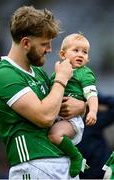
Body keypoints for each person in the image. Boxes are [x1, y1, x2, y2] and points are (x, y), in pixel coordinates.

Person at [0, 6, 86, 179]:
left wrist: (81, 106)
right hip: (33, 166)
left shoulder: (38, 73)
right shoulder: (3, 75)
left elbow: (58, 105)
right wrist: (61, 78)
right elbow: (45, 116)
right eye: (44, 44)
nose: (49, 49)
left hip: (62, 163)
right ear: (26, 43)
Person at [49, 33, 98, 177]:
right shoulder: (56, 74)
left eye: (85, 52)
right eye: (76, 50)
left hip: (72, 120)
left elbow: (92, 95)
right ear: (63, 54)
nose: (81, 54)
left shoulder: (84, 73)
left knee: (54, 135)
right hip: (56, 117)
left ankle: (76, 156)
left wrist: (92, 111)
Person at [78, 92, 114, 179]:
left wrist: (92, 95)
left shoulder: (92, 119)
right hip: (81, 174)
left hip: (102, 171)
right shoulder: (62, 123)